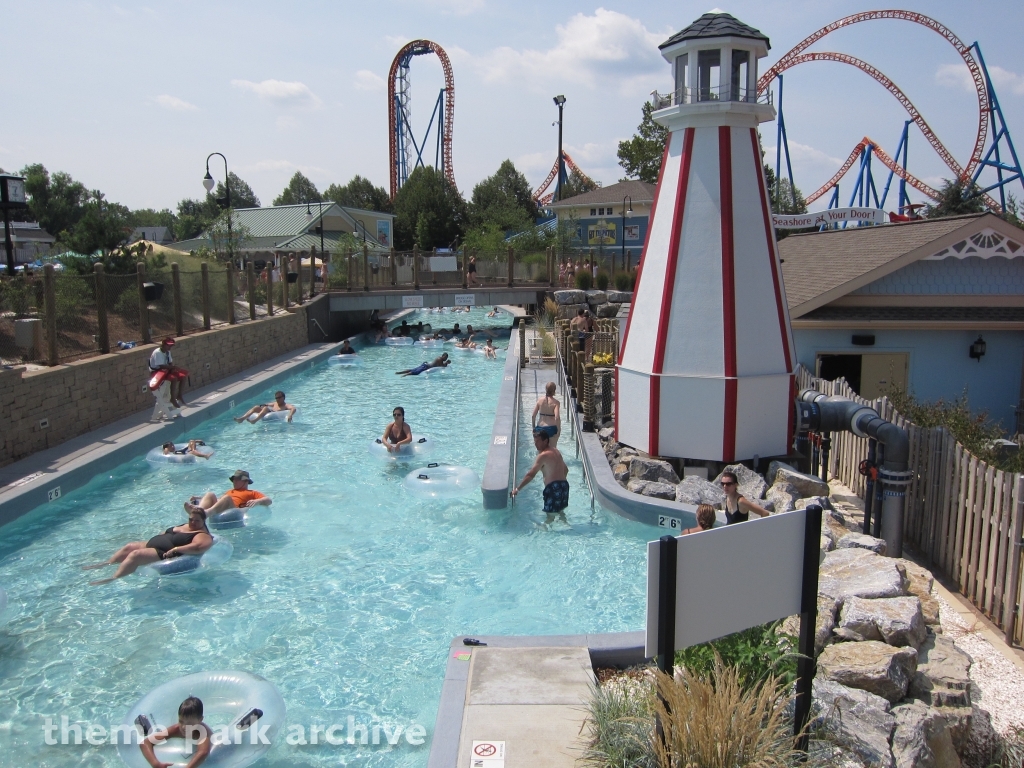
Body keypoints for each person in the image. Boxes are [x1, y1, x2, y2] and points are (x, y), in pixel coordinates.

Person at [84, 507, 214, 585]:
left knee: (136, 555)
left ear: (203, 521)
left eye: (197, 520)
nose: (193, 522)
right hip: (154, 544)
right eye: (191, 519)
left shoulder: (201, 534)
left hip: (164, 552)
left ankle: (113, 578)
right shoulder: (185, 526)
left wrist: (176, 549)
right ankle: (107, 564)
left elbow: (198, 547)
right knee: (129, 547)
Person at [511, 428, 569, 519]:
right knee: (561, 512)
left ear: (545, 441)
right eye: (534, 441)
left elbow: (531, 474)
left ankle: (544, 527)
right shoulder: (556, 451)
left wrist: (517, 489)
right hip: (564, 486)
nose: (535, 444)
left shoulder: (543, 455)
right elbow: (566, 470)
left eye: (538, 441)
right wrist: (560, 484)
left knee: (550, 517)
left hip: (553, 488)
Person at [139, 696, 212, 768]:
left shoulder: (202, 732)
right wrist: (156, 764)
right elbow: (145, 743)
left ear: (200, 720)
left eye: (189, 723)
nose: (183, 727)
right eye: (181, 721)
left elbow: (203, 752)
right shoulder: (176, 729)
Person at [187, 469, 273, 516]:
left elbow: (269, 500)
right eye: (233, 479)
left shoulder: (252, 493)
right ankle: (197, 511)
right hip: (224, 507)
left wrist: (258, 501)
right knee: (210, 494)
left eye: (237, 479)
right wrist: (199, 498)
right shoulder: (230, 491)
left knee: (227, 498)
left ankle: (205, 513)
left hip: (234, 511)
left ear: (246, 481)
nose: (234, 481)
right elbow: (220, 500)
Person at [150, 337, 188, 408]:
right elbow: (161, 366)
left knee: (183, 377)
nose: (170, 347)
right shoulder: (158, 352)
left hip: (166, 370)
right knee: (174, 378)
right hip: (157, 372)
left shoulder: (168, 352)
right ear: (164, 344)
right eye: (169, 345)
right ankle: (172, 398)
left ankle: (179, 395)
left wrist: (173, 368)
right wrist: (172, 367)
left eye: (171, 345)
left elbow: (170, 362)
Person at [531, 381, 561, 448]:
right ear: (554, 390)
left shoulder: (539, 400)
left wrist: (533, 428)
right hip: (551, 429)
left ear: (546, 389)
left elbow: (533, 416)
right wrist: (558, 430)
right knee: (552, 450)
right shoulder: (556, 403)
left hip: (539, 428)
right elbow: (557, 418)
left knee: (540, 451)